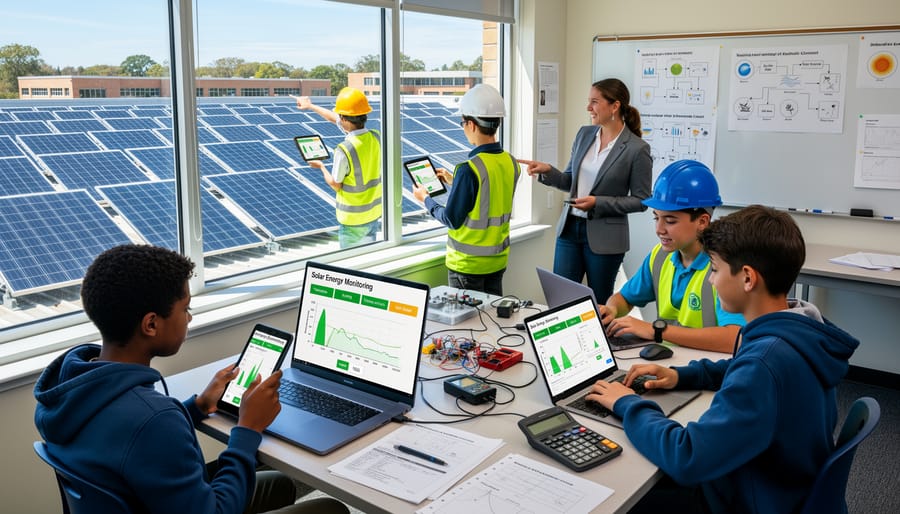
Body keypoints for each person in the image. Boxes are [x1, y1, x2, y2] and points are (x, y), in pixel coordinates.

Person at [33, 244, 348, 514]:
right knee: (330, 508)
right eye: (186, 307)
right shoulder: (154, 419)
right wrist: (248, 429)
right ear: (151, 325)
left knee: (277, 483)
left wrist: (196, 406)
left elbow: (127, 439)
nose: (190, 317)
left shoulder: (70, 387)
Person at [586, 205, 860, 514]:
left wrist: (628, 403)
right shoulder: (798, 330)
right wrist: (681, 376)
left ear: (746, 278)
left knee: (618, 492)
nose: (712, 280)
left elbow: (687, 457)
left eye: (715, 269)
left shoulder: (763, 364)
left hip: (745, 499)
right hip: (779, 484)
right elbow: (744, 367)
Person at [519, 78, 652, 303]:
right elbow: (569, 181)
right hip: (570, 230)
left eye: (594, 102)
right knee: (560, 298)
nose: (588, 107)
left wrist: (598, 203)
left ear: (615, 106)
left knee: (598, 303)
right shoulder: (584, 134)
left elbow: (642, 200)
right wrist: (548, 171)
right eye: (588, 102)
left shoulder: (637, 149)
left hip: (606, 237)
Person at [599, 160, 744, 353]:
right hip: (667, 364)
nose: (659, 230)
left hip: (707, 372)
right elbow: (624, 298)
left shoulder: (725, 267)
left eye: (670, 220)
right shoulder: (659, 257)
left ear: (702, 221)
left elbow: (735, 338)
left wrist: (657, 332)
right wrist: (612, 310)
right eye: (656, 218)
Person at [412, 84, 520, 296]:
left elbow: (451, 219)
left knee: (467, 327)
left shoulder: (469, 169)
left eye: (463, 123)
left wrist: (425, 199)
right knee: (491, 324)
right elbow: (489, 194)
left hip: (468, 266)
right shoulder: (510, 162)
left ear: (471, 124)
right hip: (497, 262)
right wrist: (455, 181)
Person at [296, 87, 381, 248]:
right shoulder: (376, 136)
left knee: (350, 267)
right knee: (367, 257)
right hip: (373, 214)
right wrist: (310, 106)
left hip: (352, 219)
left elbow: (336, 184)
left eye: (341, 116)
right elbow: (335, 118)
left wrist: (321, 166)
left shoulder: (344, 149)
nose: (339, 119)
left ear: (345, 119)